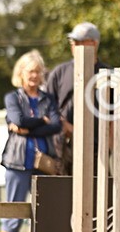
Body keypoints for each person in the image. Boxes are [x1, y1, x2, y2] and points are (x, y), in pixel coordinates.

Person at [0, 50, 61, 232]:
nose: (35, 76)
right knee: (13, 211)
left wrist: (27, 127)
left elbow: (55, 125)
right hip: (17, 161)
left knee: (42, 213)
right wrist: (39, 121)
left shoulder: (48, 98)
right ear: (21, 74)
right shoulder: (12, 97)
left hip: (44, 162)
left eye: (38, 71)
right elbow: (17, 119)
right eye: (31, 71)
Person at [44, 22, 109, 173]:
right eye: (73, 42)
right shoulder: (60, 72)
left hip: (97, 147)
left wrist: (111, 142)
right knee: (62, 193)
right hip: (63, 148)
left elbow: (118, 112)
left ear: (94, 43)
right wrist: (64, 125)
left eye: (79, 42)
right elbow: (45, 106)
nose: (74, 45)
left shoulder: (107, 73)